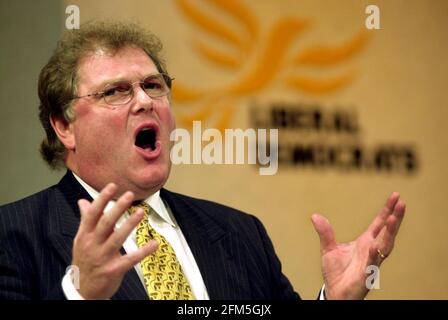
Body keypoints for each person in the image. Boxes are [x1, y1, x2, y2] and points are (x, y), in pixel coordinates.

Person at [0, 21, 405, 300]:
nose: (145, 101)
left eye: (153, 85)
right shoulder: (13, 235)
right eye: (115, 92)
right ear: (63, 126)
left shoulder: (241, 233)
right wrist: (80, 294)